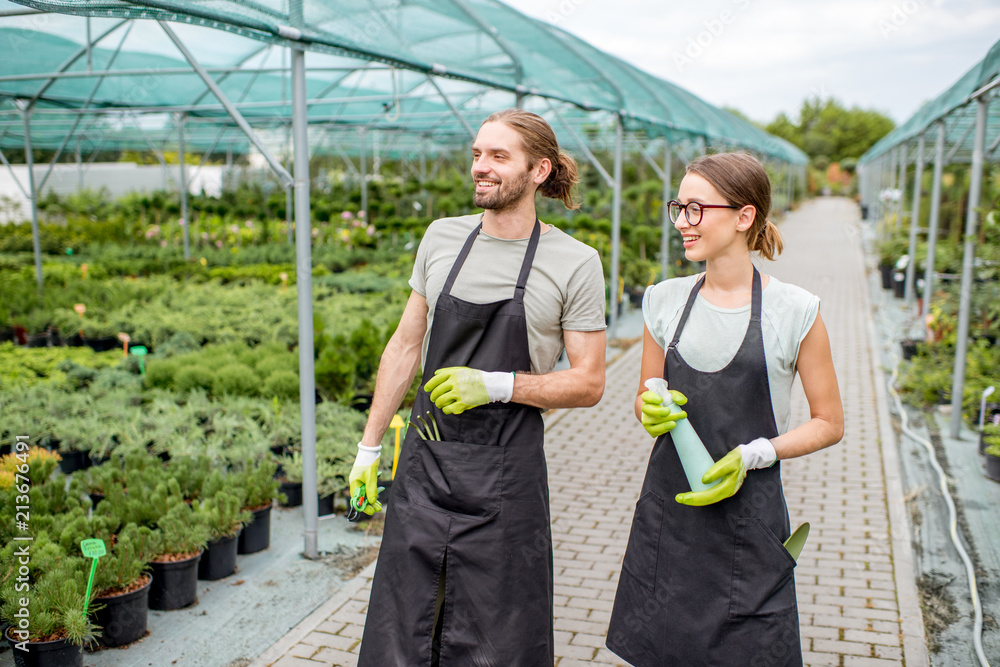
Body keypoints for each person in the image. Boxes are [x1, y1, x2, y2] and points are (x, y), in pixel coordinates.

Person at [351, 108, 607, 666]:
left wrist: (495, 384)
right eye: (476, 154)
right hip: (426, 465)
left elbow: (589, 383)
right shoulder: (442, 238)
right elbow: (404, 347)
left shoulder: (575, 262)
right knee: (404, 627)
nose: (480, 168)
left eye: (497, 156)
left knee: (498, 637)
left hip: (504, 480)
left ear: (539, 170)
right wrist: (369, 447)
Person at [606, 152, 844, 666]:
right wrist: (650, 411)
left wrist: (755, 453)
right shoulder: (662, 302)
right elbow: (647, 397)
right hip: (670, 518)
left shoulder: (795, 311)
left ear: (744, 216)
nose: (682, 223)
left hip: (748, 525)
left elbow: (829, 424)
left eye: (696, 209)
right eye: (679, 208)